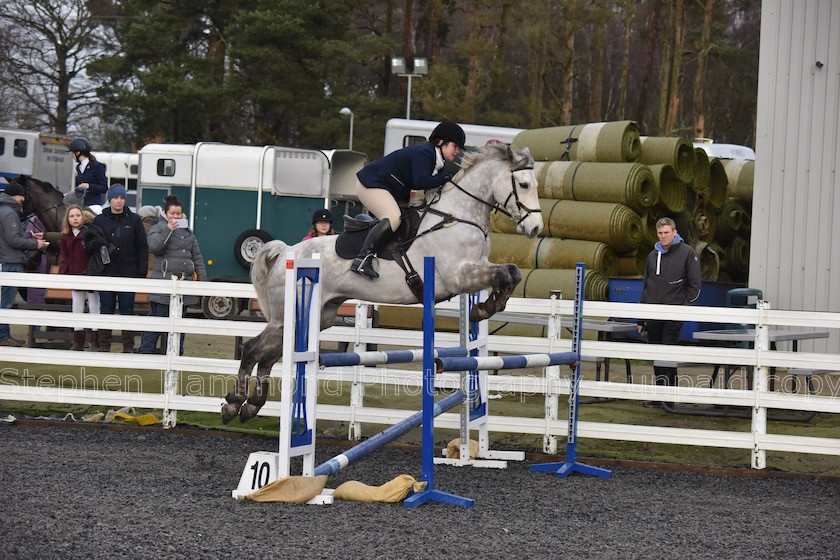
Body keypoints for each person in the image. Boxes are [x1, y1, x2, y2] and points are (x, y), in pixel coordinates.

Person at [350, 120, 465, 279]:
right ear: (441, 142)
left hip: (390, 189)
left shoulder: (438, 160)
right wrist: (445, 177)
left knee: (410, 218)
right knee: (393, 218)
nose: (457, 151)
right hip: (370, 184)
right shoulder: (424, 152)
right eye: (455, 146)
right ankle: (362, 259)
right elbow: (420, 182)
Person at [637, 217, 701, 398]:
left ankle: (668, 398)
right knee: (657, 355)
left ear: (674, 232)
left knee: (668, 351)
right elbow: (646, 287)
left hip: (674, 312)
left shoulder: (688, 253)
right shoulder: (652, 256)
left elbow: (695, 285)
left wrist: (684, 308)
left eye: (666, 232)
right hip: (653, 313)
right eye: (660, 233)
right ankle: (662, 397)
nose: (663, 236)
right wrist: (641, 318)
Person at [138, 195, 207, 354]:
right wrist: (168, 229)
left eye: (178, 214)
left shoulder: (188, 232)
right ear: (165, 213)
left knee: (179, 324)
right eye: (172, 214)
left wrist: (203, 281)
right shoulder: (158, 228)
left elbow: (197, 256)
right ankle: (145, 352)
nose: (175, 217)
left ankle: (176, 353)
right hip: (164, 284)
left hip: (185, 284)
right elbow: (155, 248)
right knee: (157, 322)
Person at [92, 184, 148, 352]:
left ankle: (128, 346)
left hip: (128, 273)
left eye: (122, 198)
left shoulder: (134, 219)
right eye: (116, 197)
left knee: (127, 310)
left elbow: (142, 246)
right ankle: (104, 346)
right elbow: (91, 243)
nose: (119, 201)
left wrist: (141, 272)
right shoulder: (100, 220)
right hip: (106, 273)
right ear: (110, 200)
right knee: (106, 309)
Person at [0, 183, 49, 346]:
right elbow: (13, 240)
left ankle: (4, 336)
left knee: (4, 303)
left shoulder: (3, 210)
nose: (23, 199)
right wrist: (36, 244)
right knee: (5, 304)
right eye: (21, 196)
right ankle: (3, 337)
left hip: (5, 261)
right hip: (10, 263)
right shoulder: (9, 213)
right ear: (15, 196)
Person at [58, 204, 101, 351]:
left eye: (78, 215)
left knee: (94, 306)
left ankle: (95, 341)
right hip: (75, 275)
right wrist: (63, 274)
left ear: (83, 217)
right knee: (77, 307)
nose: (75, 218)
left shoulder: (90, 232)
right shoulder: (65, 236)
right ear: (67, 219)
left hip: (91, 274)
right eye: (72, 216)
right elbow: (64, 257)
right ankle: (78, 341)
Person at [68, 137, 108, 208]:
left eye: (72, 153)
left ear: (78, 153)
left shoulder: (97, 166)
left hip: (94, 204)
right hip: (80, 204)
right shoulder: (78, 167)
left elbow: (104, 188)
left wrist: (89, 186)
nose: (72, 156)